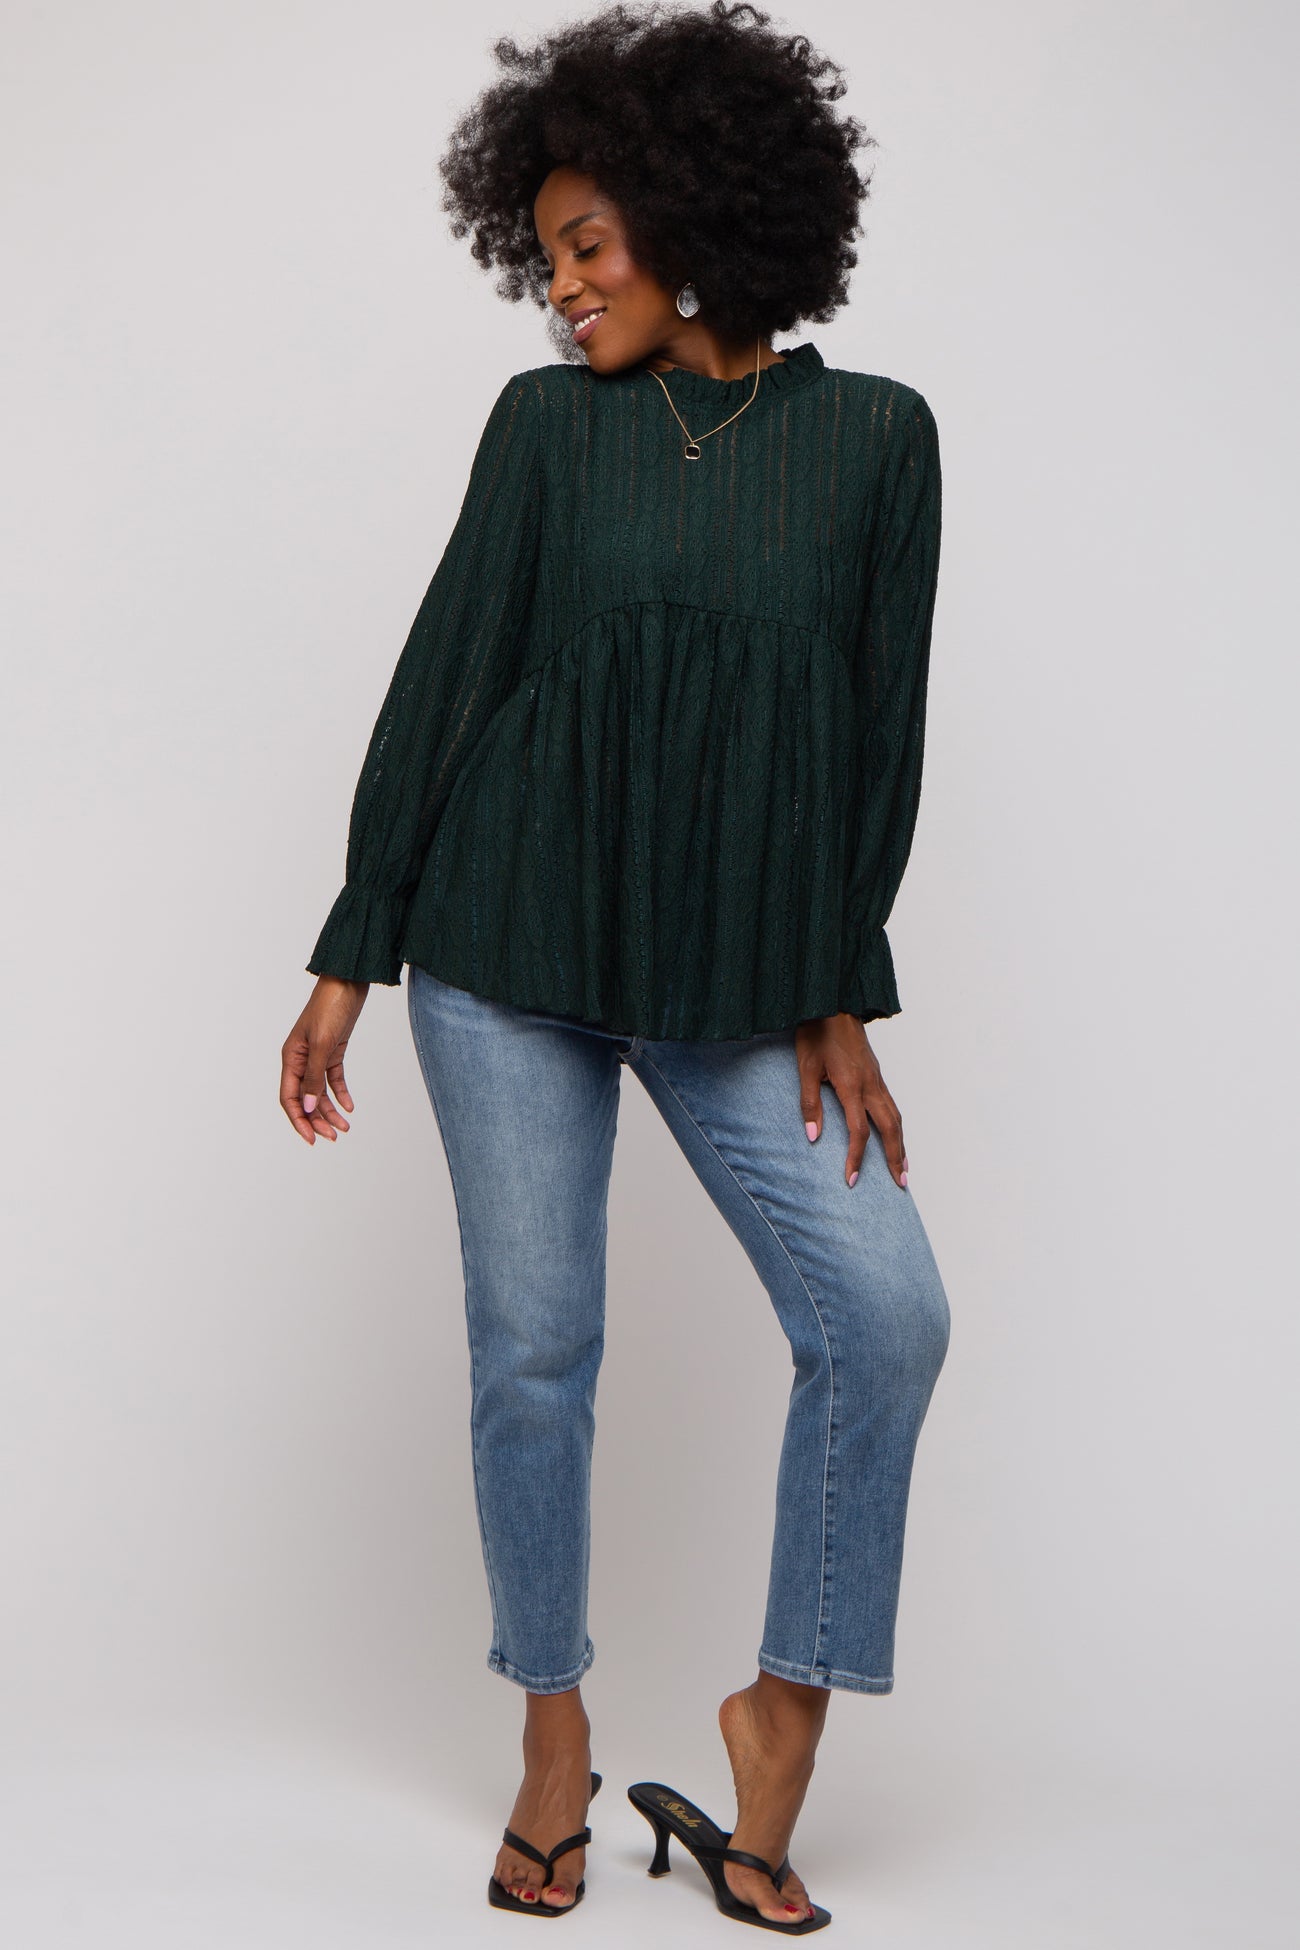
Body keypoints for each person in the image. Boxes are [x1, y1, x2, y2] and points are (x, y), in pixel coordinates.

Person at [279, 1, 950, 1931]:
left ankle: (779, 1714)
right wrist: (354, 947)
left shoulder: (877, 442)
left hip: (739, 975)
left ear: (697, 221)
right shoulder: (545, 429)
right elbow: (449, 676)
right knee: (537, 1351)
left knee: (886, 1314)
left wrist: (838, 984)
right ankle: (554, 1735)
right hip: (506, 952)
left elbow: (875, 740)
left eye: (588, 246)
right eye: (546, 255)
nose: (562, 286)